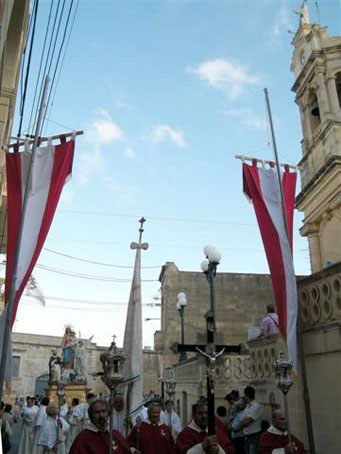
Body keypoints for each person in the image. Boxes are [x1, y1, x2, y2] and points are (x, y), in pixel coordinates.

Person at [239, 386, 262, 454]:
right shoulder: (247, 406)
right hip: (246, 435)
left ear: (246, 395)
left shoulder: (257, 406)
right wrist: (242, 422)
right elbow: (241, 421)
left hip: (254, 436)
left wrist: (243, 422)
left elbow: (245, 422)